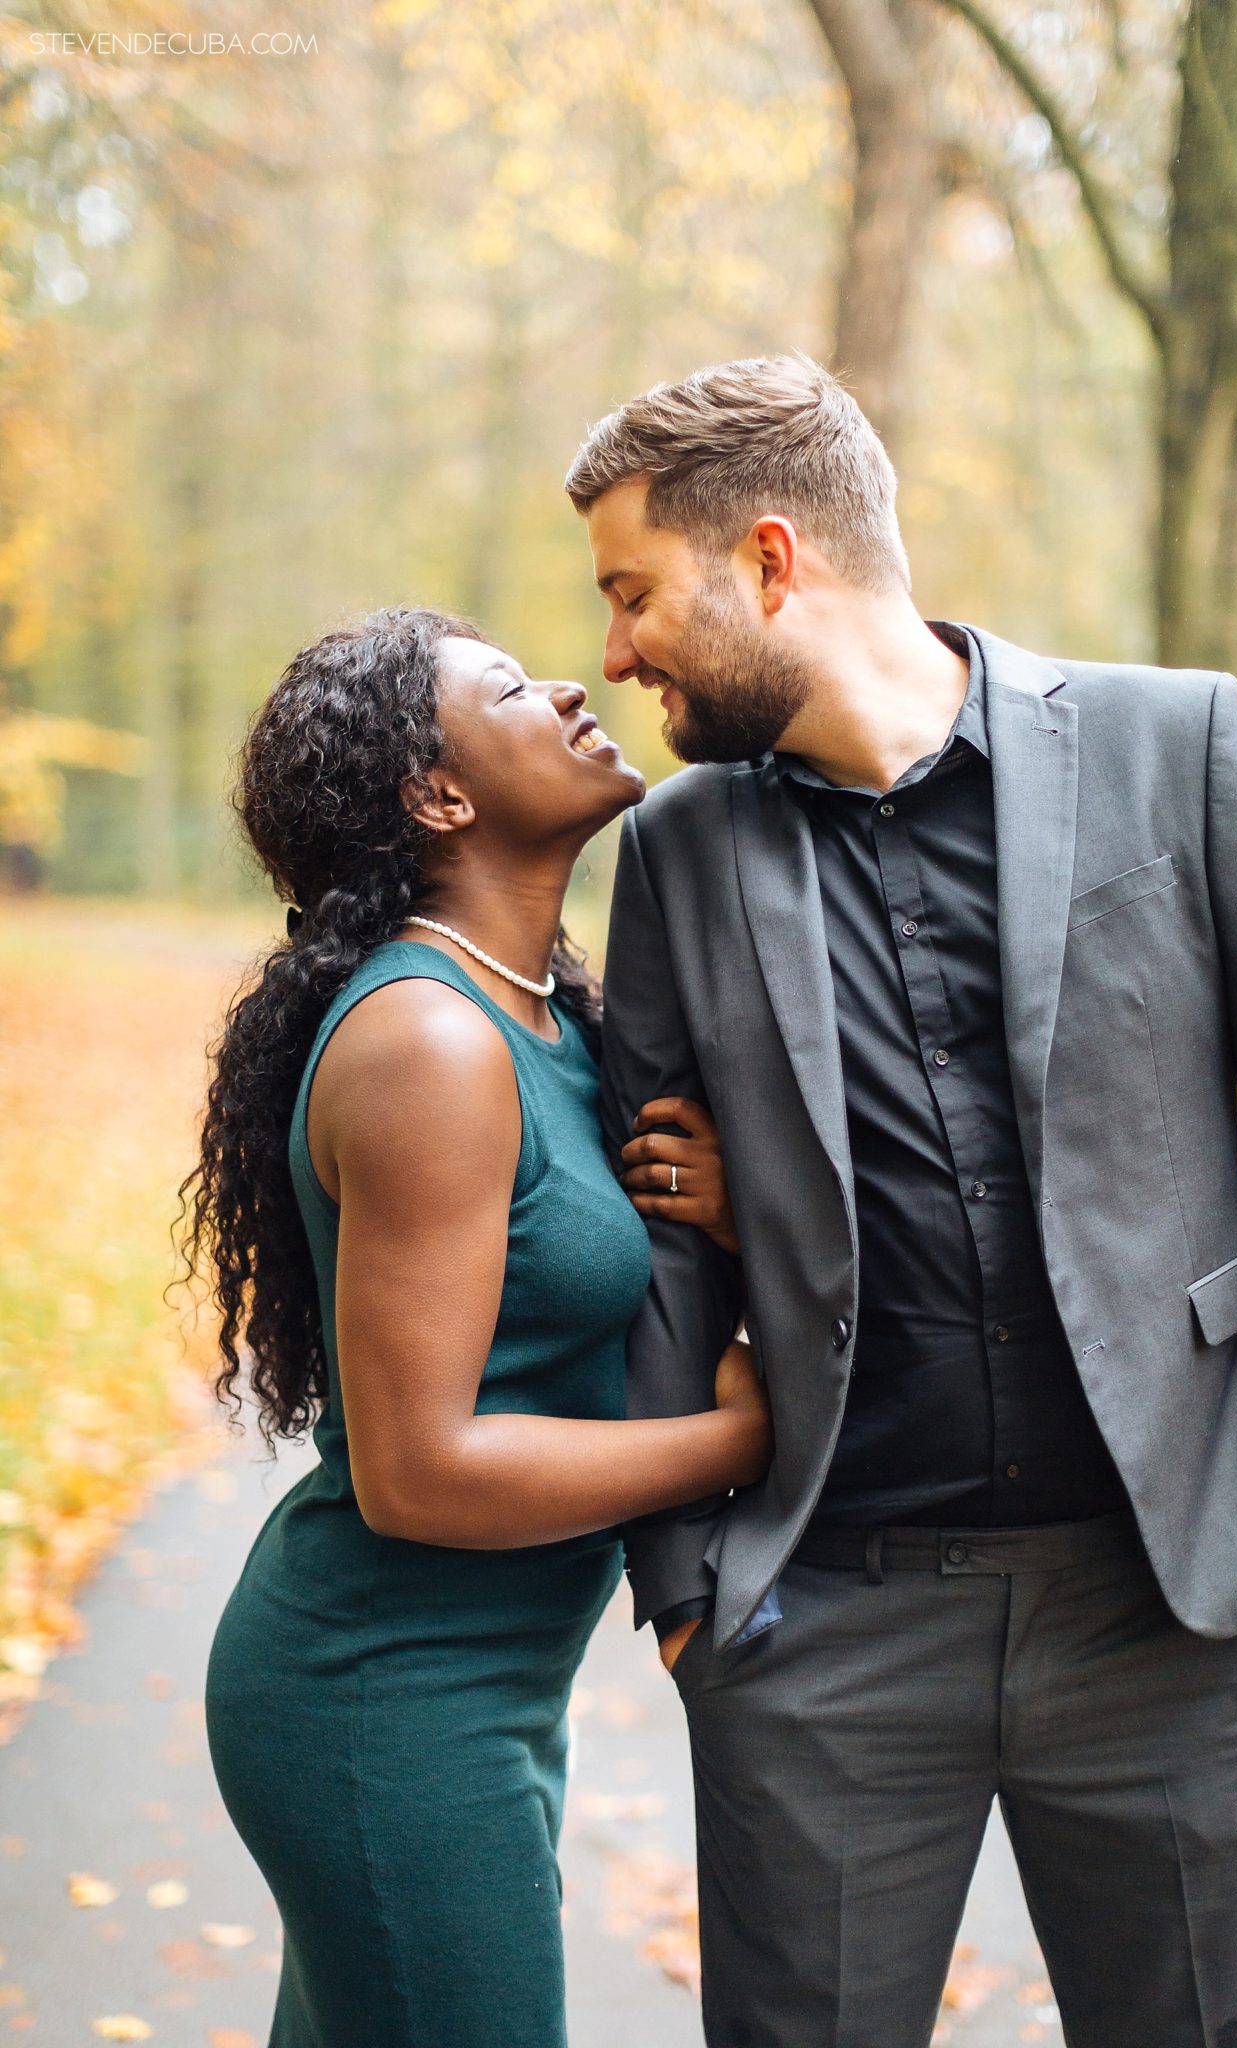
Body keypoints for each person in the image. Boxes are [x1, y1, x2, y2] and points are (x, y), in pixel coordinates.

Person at [565, 353, 1237, 2048]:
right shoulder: (683, 850)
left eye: (634, 594)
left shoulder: (1179, 743)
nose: (615, 652)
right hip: (821, 1627)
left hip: (1172, 1606)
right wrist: (688, 1592)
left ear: (771, 561)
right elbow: (656, 1230)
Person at [182, 607, 768, 2048]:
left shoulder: (551, 1016)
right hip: (384, 1699)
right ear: (437, 795)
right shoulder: (429, 1041)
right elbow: (420, 1472)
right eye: (508, 687)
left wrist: (731, 1225)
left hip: (471, 1694)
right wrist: (745, 1434)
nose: (571, 681)